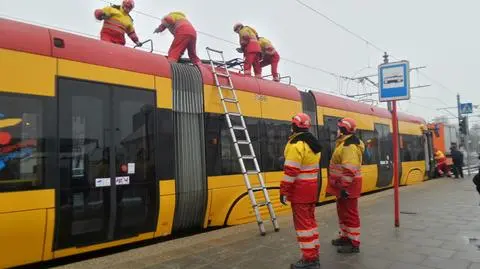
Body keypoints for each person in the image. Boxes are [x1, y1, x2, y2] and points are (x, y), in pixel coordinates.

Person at [280, 113, 322, 269]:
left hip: (299, 192)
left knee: (303, 226)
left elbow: (291, 171)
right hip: (312, 189)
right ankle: (314, 252)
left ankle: (309, 259)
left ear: (294, 126)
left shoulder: (296, 145)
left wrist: (284, 191)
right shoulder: (314, 145)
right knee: (310, 223)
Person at [327, 118, 364, 254]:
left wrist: (343, 187)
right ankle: (345, 237)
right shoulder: (344, 144)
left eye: (339, 128)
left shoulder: (349, 146)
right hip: (343, 185)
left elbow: (349, 169)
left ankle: (354, 243)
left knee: (350, 213)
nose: (336, 130)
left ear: (343, 130)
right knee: (342, 212)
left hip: (348, 186)